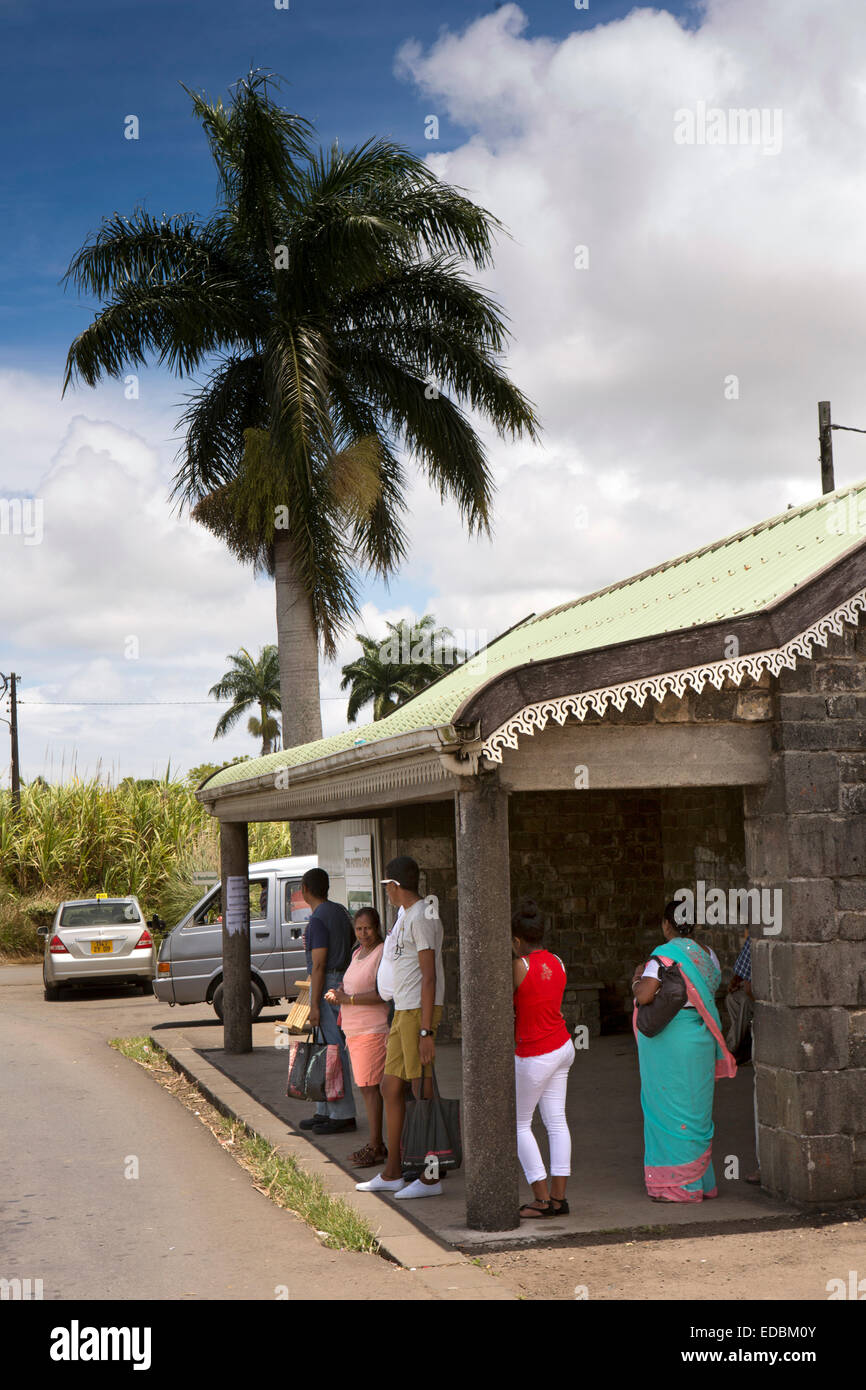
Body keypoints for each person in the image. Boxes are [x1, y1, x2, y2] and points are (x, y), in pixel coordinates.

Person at [632, 899, 737, 1202]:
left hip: (669, 1043)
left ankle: (676, 1187)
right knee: (695, 1112)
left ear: (667, 925)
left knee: (667, 1110)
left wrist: (637, 978)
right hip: (700, 1040)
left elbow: (647, 994)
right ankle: (701, 1181)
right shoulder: (709, 957)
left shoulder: (662, 957)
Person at [356, 855, 445, 1199]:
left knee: (422, 1092)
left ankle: (431, 1176)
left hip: (415, 1014)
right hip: (402, 1010)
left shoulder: (422, 916)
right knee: (391, 1087)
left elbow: (430, 975)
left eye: (387, 887)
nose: (387, 893)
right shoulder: (404, 914)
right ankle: (393, 1171)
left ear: (394, 885)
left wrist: (426, 1031)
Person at [511, 899, 575, 1219]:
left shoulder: (519, 966)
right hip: (562, 1047)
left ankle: (541, 1199)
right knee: (556, 1122)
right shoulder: (558, 961)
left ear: (517, 940)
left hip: (534, 1053)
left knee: (520, 1124)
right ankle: (559, 1199)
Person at [325, 908, 389, 1168]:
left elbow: (382, 993)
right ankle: (376, 1144)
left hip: (372, 1029)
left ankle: (376, 1146)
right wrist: (339, 991)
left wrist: (347, 999)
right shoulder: (356, 953)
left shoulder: (381, 953)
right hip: (354, 1030)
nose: (363, 934)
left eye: (368, 928)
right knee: (365, 1088)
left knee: (370, 1089)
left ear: (377, 928)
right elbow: (351, 985)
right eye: (359, 929)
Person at [298, 867, 356, 1134]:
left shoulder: (318, 919)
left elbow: (319, 964)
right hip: (341, 978)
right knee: (325, 1048)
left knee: (332, 1049)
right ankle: (324, 1108)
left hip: (328, 984)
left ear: (305, 889)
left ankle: (341, 1113)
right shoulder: (340, 911)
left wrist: (313, 1006)